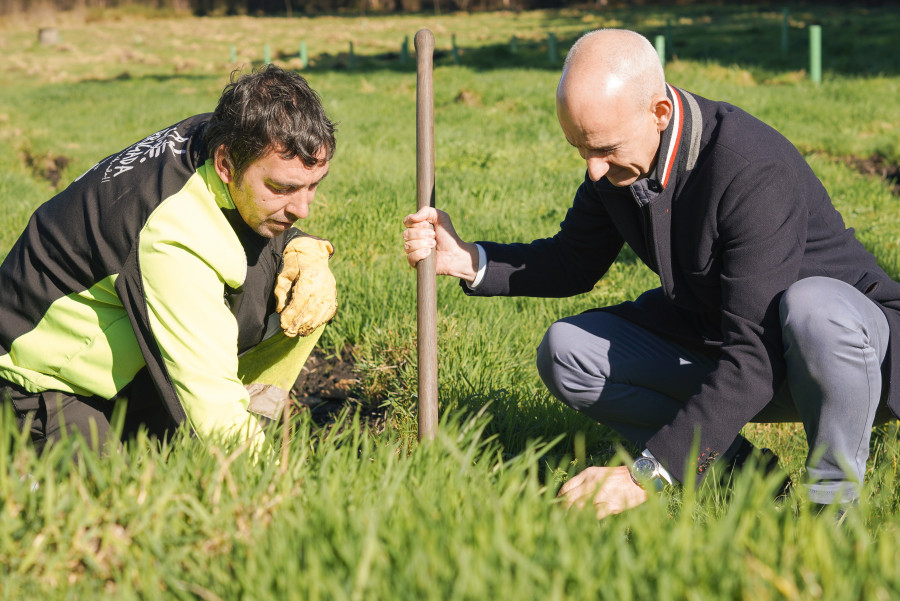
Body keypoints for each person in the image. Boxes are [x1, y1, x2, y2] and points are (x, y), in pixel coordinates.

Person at [402, 29, 900, 518]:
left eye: (603, 149)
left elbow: (756, 353)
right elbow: (574, 259)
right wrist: (467, 259)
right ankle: (745, 481)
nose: (593, 170)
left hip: (847, 361)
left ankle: (830, 511)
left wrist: (648, 473)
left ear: (659, 113)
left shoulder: (750, 169)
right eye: (579, 148)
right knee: (569, 351)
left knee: (814, 307)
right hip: (734, 342)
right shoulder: (625, 159)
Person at [0, 65, 338, 455]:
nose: (303, 207)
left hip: (123, 352)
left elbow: (265, 223)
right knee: (113, 501)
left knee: (304, 290)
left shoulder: (225, 133)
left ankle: (247, 418)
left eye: (314, 185)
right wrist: (275, 487)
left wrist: (304, 245)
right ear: (226, 164)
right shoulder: (173, 235)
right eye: (282, 188)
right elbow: (212, 406)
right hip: (41, 384)